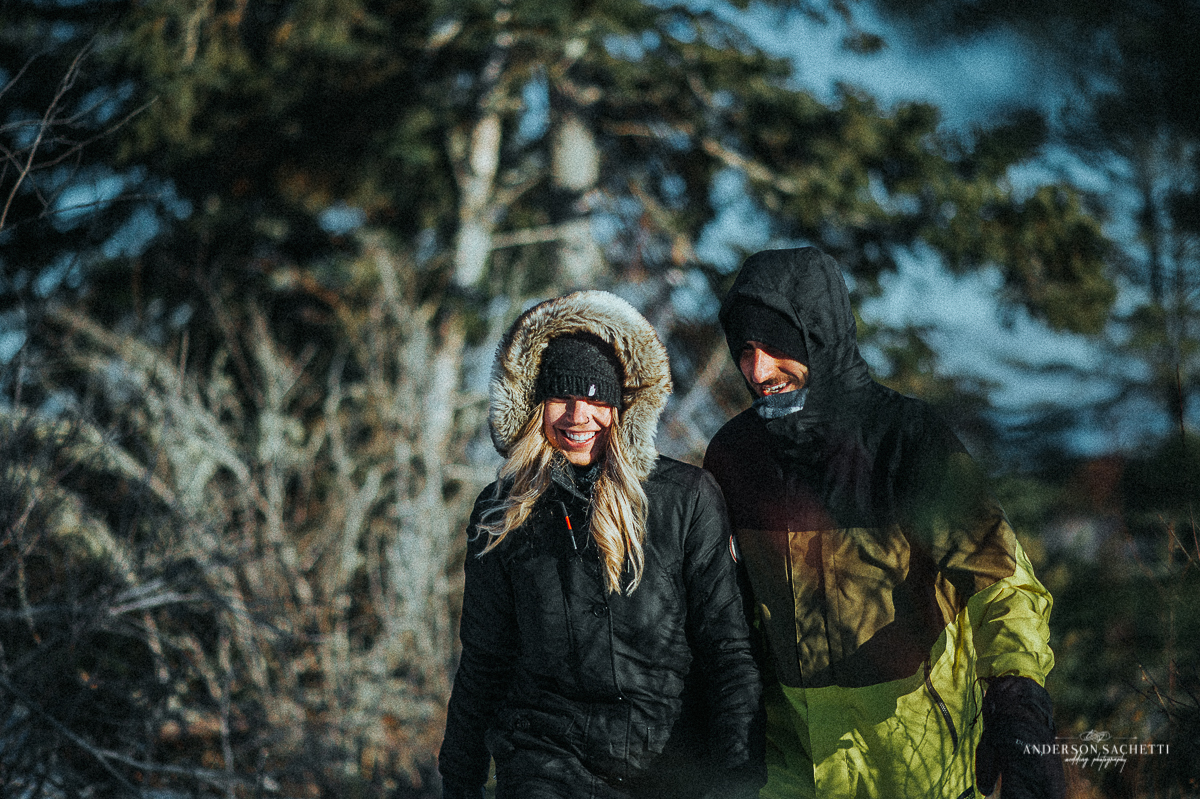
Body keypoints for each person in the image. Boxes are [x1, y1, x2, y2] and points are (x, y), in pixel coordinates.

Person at [703, 247, 1066, 799]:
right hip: (788, 768)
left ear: (820, 338)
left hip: (914, 766)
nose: (757, 370)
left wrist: (1017, 704)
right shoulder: (735, 455)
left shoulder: (907, 440)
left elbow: (1002, 584)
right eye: (745, 350)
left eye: (777, 346)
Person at [438, 290, 765, 799]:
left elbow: (727, 648)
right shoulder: (503, 510)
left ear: (622, 408)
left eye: (596, 399)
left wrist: (739, 773)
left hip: (670, 764)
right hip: (546, 763)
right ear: (533, 405)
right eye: (561, 397)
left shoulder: (685, 499)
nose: (577, 416)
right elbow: (485, 658)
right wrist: (460, 777)